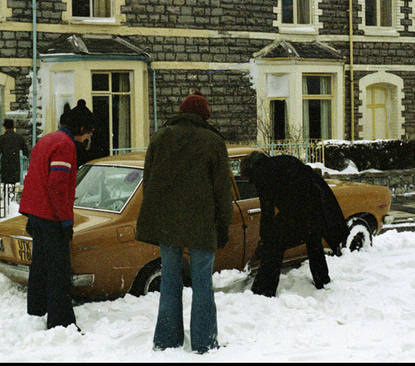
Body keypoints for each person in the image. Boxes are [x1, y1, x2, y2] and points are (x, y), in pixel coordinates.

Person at [136, 89, 233, 354]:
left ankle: (167, 340)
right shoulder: (213, 142)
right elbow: (222, 189)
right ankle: (204, 342)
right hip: (203, 223)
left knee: (169, 279)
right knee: (202, 282)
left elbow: (149, 181)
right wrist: (224, 223)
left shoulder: (160, 138)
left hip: (168, 223)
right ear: (204, 116)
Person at [18, 101, 95, 331]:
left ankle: (36, 310)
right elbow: (58, 187)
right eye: (89, 131)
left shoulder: (47, 140)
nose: (89, 137)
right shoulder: (65, 145)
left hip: (36, 212)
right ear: (80, 129)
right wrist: (66, 221)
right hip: (51, 215)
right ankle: (61, 322)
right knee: (59, 271)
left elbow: (34, 178)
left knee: (40, 266)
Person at [239, 152, 350, 298]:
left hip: (299, 209)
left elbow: (267, 212)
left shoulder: (262, 173)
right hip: (318, 204)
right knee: (313, 239)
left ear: (250, 170)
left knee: (273, 246)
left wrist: (265, 238)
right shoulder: (283, 160)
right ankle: (322, 280)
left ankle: (263, 290)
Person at [0, 119, 29, 184]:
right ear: (13, 127)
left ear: (5, 127)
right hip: (16, 163)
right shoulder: (19, 138)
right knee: (15, 183)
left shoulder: (2, 138)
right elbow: (25, 151)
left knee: (6, 184)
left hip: (5, 164)